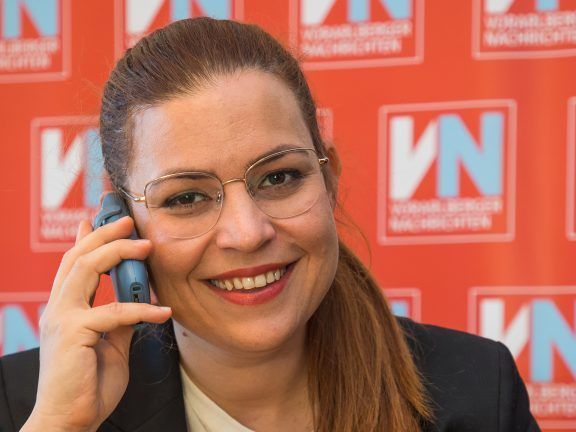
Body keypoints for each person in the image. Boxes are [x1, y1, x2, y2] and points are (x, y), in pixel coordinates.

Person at [0, 18, 539, 432]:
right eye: (186, 197)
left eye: (279, 178)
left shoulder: (478, 391)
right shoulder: (28, 403)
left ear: (328, 181)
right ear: (121, 224)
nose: (247, 232)